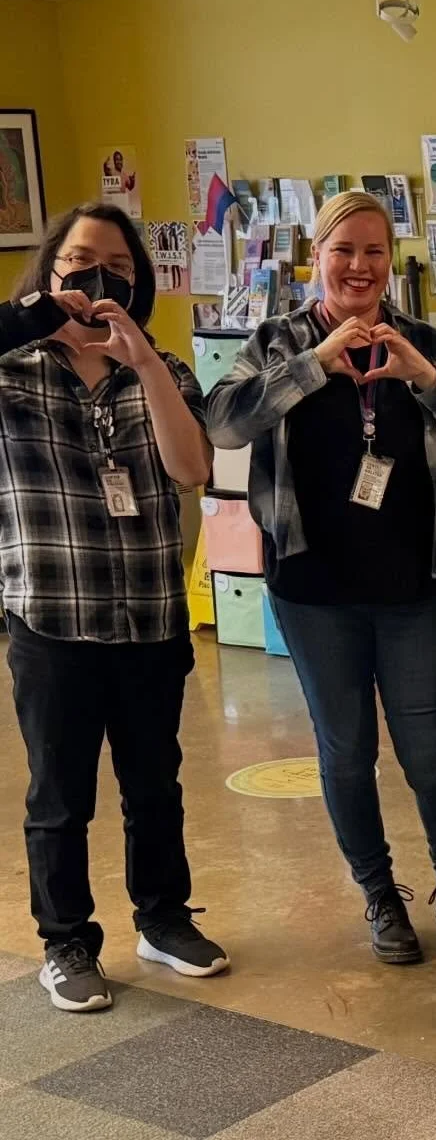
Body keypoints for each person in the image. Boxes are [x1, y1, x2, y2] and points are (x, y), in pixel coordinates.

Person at [208, 190, 436, 965]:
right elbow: (224, 423)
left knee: (432, 743)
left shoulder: (425, 342)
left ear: (390, 261)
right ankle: (378, 894)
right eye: (344, 251)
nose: (360, 266)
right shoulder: (276, 341)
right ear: (316, 256)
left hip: (415, 582)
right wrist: (312, 367)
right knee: (345, 750)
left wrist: (424, 382)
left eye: (374, 251)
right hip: (315, 587)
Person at [3, 203, 225, 1012]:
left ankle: (163, 918)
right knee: (59, 794)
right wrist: (23, 320)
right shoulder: (12, 367)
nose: (100, 280)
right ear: (50, 274)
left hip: (149, 616)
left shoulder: (161, 366)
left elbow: (192, 467)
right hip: (51, 618)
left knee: (154, 783)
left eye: (120, 269)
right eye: (81, 264)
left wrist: (146, 367)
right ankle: (65, 941)